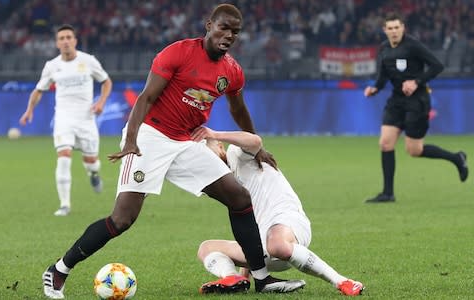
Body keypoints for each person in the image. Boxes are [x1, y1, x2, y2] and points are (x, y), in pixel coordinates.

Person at [41, 4, 304, 299]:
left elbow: (238, 109)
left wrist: (257, 147)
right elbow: (147, 97)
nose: (229, 35)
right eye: (223, 28)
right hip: (150, 137)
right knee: (122, 219)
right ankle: (59, 270)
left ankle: (262, 278)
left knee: (240, 198)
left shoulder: (231, 71)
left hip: (184, 141)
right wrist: (131, 139)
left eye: (235, 31)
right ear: (209, 25)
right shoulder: (178, 52)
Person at [191, 126, 364, 296]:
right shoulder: (222, 183)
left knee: (277, 244)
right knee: (206, 248)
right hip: (262, 248)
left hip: (288, 223)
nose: (206, 158)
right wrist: (249, 271)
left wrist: (215, 133)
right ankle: (233, 278)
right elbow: (248, 227)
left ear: (219, 145)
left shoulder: (236, 153)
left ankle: (343, 281)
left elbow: (255, 140)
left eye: (206, 149)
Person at [363, 13, 468, 203]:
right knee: (385, 143)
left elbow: (437, 65)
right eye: (390, 28)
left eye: (397, 27)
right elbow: (382, 76)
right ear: (384, 30)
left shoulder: (413, 45)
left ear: (403, 28)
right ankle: (388, 193)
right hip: (396, 101)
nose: (394, 31)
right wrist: (374, 88)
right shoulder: (384, 49)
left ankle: (456, 158)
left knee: (414, 150)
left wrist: (417, 81)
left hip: (417, 101)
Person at [19, 24, 112, 216]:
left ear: (75, 41)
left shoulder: (88, 61)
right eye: (61, 38)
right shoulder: (52, 66)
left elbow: (106, 81)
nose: (66, 41)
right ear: (57, 43)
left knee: (91, 160)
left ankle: (94, 173)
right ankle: (65, 204)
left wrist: (101, 101)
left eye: (69, 37)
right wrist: (29, 110)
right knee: (64, 157)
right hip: (63, 118)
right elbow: (38, 90)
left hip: (86, 118)